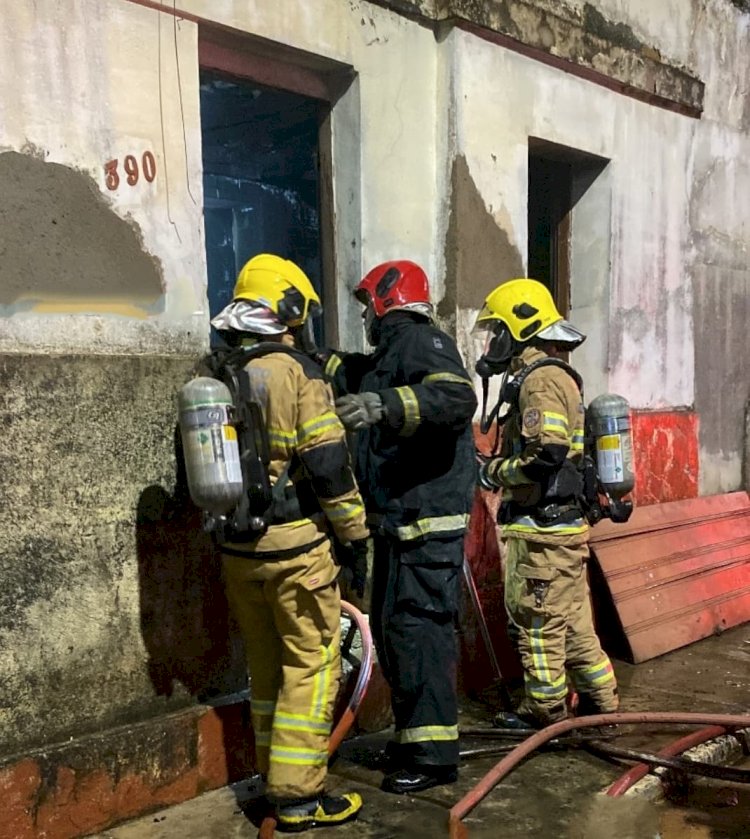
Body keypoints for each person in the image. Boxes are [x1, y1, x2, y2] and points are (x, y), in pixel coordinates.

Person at [208, 254, 369, 832]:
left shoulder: (217, 372)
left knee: (267, 666)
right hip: (295, 548)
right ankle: (300, 797)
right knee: (312, 662)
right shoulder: (298, 373)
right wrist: (355, 536)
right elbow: (328, 464)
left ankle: (270, 780)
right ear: (289, 310)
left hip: (236, 550)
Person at [320, 260, 477, 794]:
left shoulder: (421, 342)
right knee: (394, 634)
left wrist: (382, 406)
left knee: (419, 634)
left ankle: (434, 759)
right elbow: (350, 370)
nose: (364, 314)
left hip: (426, 527)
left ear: (388, 300)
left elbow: (455, 398)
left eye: (367, 304)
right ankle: (417, 739)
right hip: (398, 527)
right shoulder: (388, 357)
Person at [474, 278, 619, 729]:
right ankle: (601, 700)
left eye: (497, 330)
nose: (493, 342)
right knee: (573, 625)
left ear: (521, 327)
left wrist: (493, 472)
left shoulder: (539, 381)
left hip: (542, 530)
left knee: (537, 625)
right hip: (562, 527)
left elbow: (546, 454)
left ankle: (544, 714)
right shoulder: (552, 375)